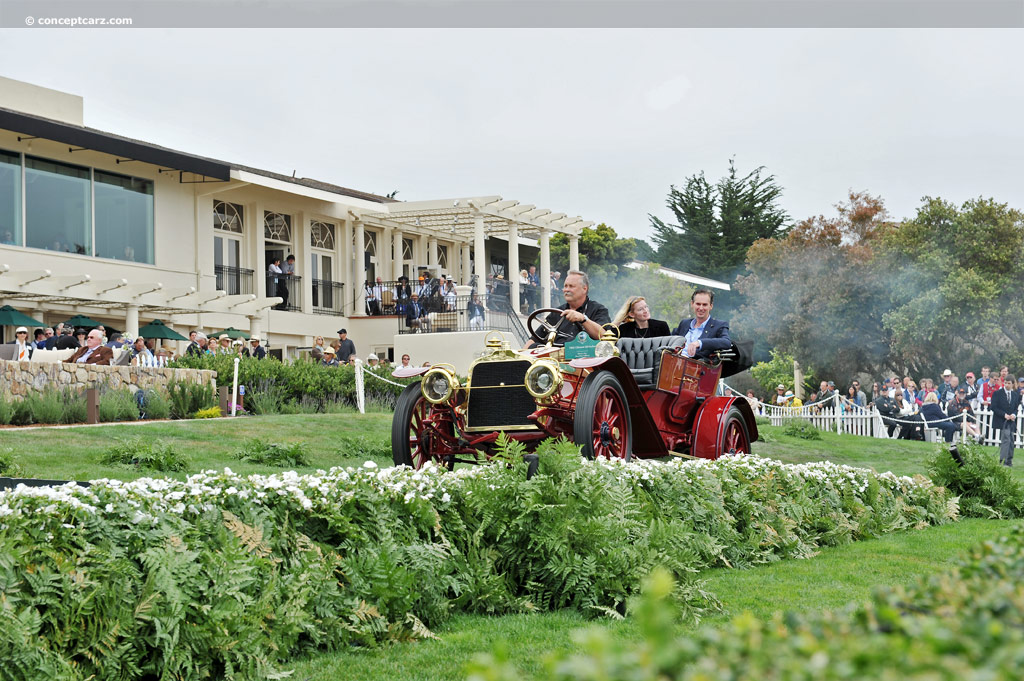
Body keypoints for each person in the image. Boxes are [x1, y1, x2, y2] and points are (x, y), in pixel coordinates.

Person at [527, 270, 610, 348]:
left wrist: (583, 319)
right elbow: (535, 338)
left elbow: (604, 336)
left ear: (584, 289)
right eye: (565, 286)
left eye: (571, 286)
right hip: (554, 358)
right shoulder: (557, 312)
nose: (566, 290)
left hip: (582, 358)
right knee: (533, 347)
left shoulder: (598, 310)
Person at [672, 289, 731, 359]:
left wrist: (700, 343)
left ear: (711, 306)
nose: (701, 308)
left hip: (696, 367)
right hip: (673, 361)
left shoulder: (719, 325)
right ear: (692, 304)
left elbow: (726, 342)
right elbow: (670, 338)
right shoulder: (684, 323)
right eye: (698, 304)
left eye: (705, 305)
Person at [991, 376, 1021, 466]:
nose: (1007, 385)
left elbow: (1016, 408)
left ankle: (1009, 460)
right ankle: (1002, 459)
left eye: (1009, 383)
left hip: (1011, 421)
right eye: (1005, 383)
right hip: (1001, 421)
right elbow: (993, 407)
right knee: (1006, 439)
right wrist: (1004, 415)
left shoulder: (1015, 395)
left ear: (1012, 384)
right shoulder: (997, 393)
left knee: (1011, 440)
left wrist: (1014, 415)